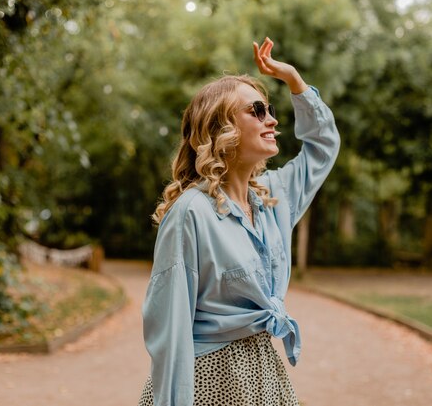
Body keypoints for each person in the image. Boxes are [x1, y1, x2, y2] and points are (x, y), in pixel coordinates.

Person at [138, 37, 340, 406]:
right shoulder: (190, 214)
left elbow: (323, 148)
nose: (272, 119)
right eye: (257, 111)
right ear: (221, 129)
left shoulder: (271, 197)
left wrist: (295, 81)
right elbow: (170, 331)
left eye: (270, 108)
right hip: (208, 381)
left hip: (265, 375)